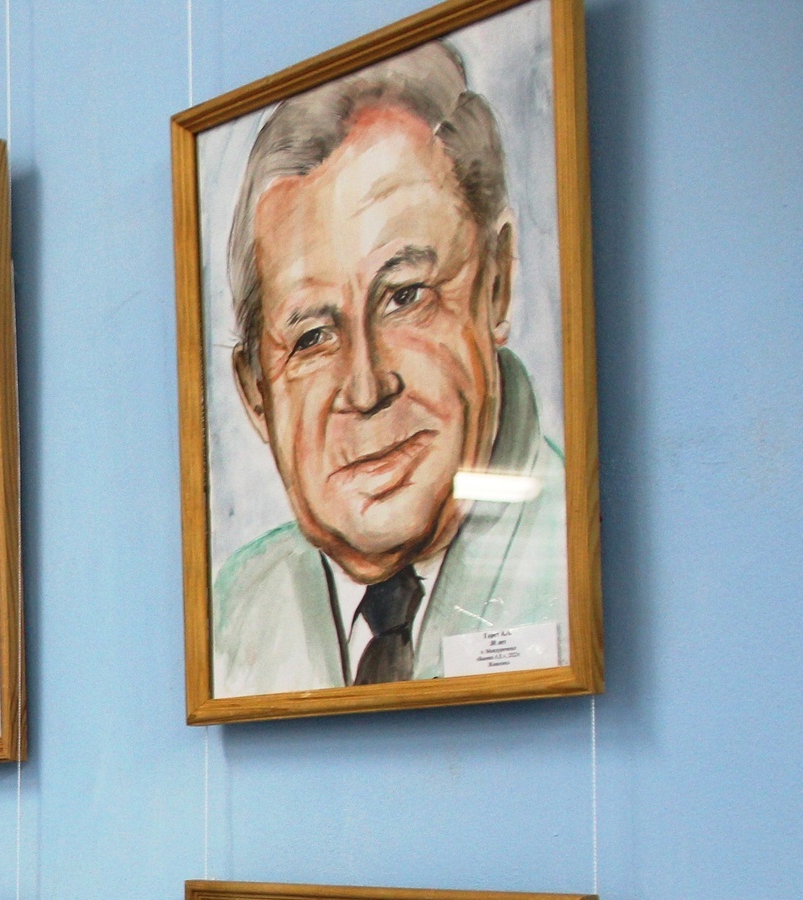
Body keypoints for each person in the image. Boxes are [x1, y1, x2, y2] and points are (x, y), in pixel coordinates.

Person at [211, 41, 565, 697]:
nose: (367, 386)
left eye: (404, 297)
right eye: (312, 337)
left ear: (497, 284)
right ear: (257, 394)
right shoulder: (233, 612)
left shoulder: (572, 562)